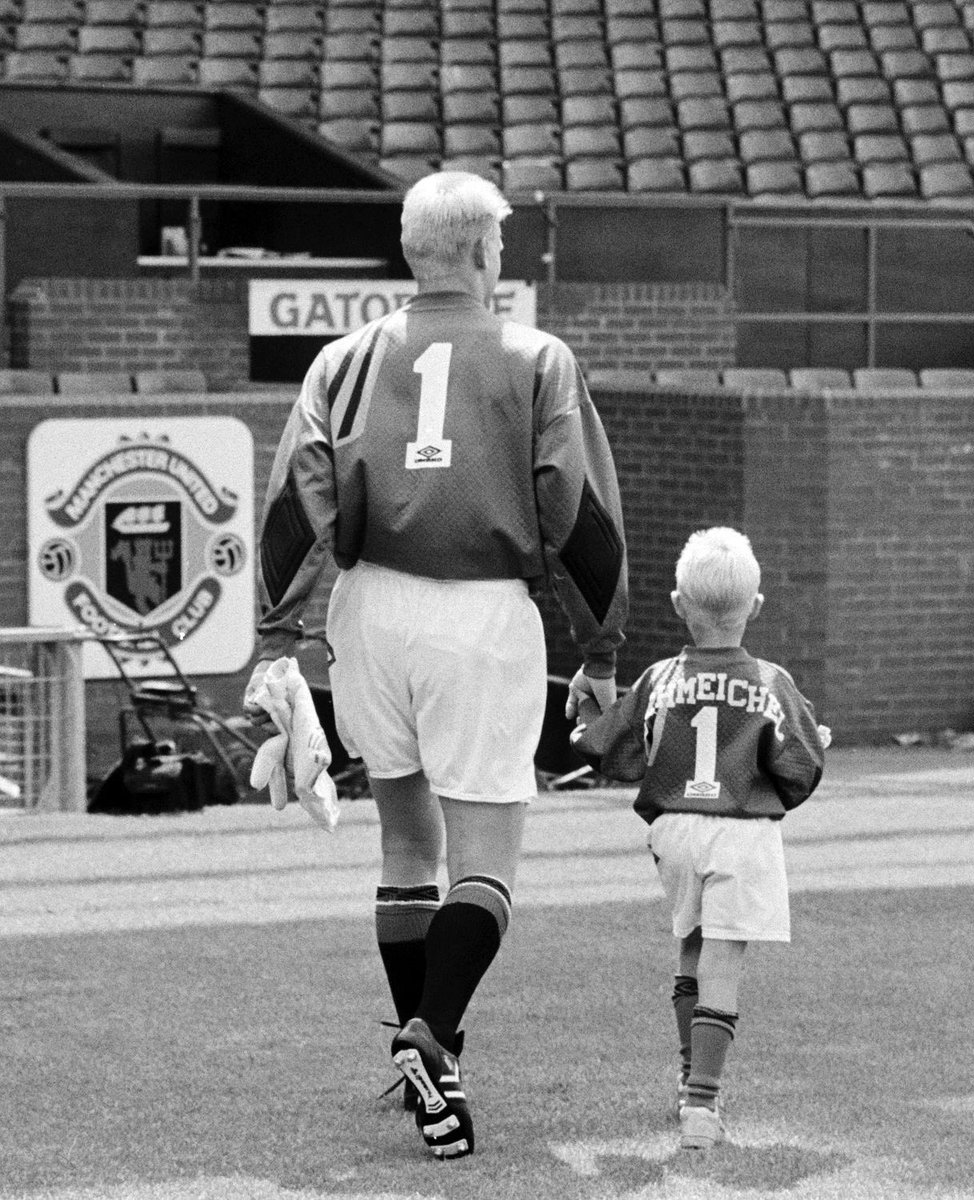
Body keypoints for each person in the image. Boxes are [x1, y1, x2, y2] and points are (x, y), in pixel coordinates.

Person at [244, 170, 628, 1160]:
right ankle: (434, 1032)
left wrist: (278, 640)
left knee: (406, 853)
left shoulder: (342, 358)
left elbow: (297, 496)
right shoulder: (537, 355)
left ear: (412, 252)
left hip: (367, 609)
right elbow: (578, 510)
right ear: (486, 253)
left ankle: (434, 1096)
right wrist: (601, 648)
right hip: (480, 614)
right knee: (486, 866)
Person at [570, 527, 826, 1150]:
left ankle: (690, 1078)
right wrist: (815, 746)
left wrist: (584, 714)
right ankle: (702, 1107)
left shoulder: (660, 678)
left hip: (675, 830)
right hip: (740, 831)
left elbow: (612, 752)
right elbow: (800, 768)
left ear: (679, 604)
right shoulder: (770, 680)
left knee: (691, 947)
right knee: (724, 963)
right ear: (756, 607)